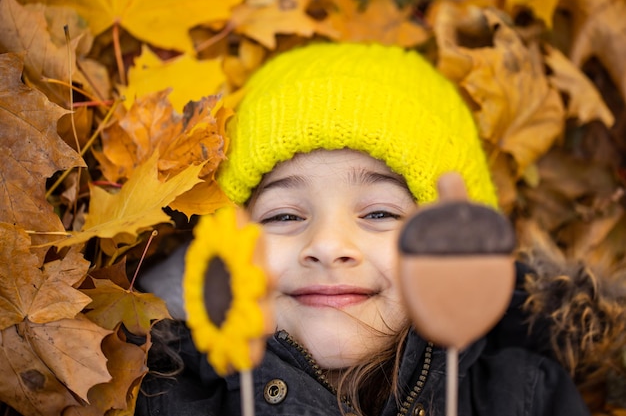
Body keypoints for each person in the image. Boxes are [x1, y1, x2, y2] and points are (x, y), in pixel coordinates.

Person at [136, 42, 591, 416]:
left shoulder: (523, 398)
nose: (328, 246)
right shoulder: (163, 395)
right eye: (284, 215)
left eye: (379, 214)